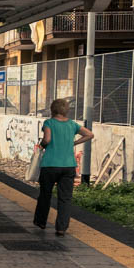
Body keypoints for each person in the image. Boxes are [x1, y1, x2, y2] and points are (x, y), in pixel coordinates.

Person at [33, 98, 94, 236]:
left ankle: (41, 221)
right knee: (65, 198)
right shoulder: (72, 124)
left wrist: (41, 146)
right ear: (66, 110)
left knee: (45, 194)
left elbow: (47, 139)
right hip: (68, 166)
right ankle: (61, 228)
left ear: (52, 109)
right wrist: (75, 143)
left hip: (50, 165)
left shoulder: (49, 123)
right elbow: (90, 134)